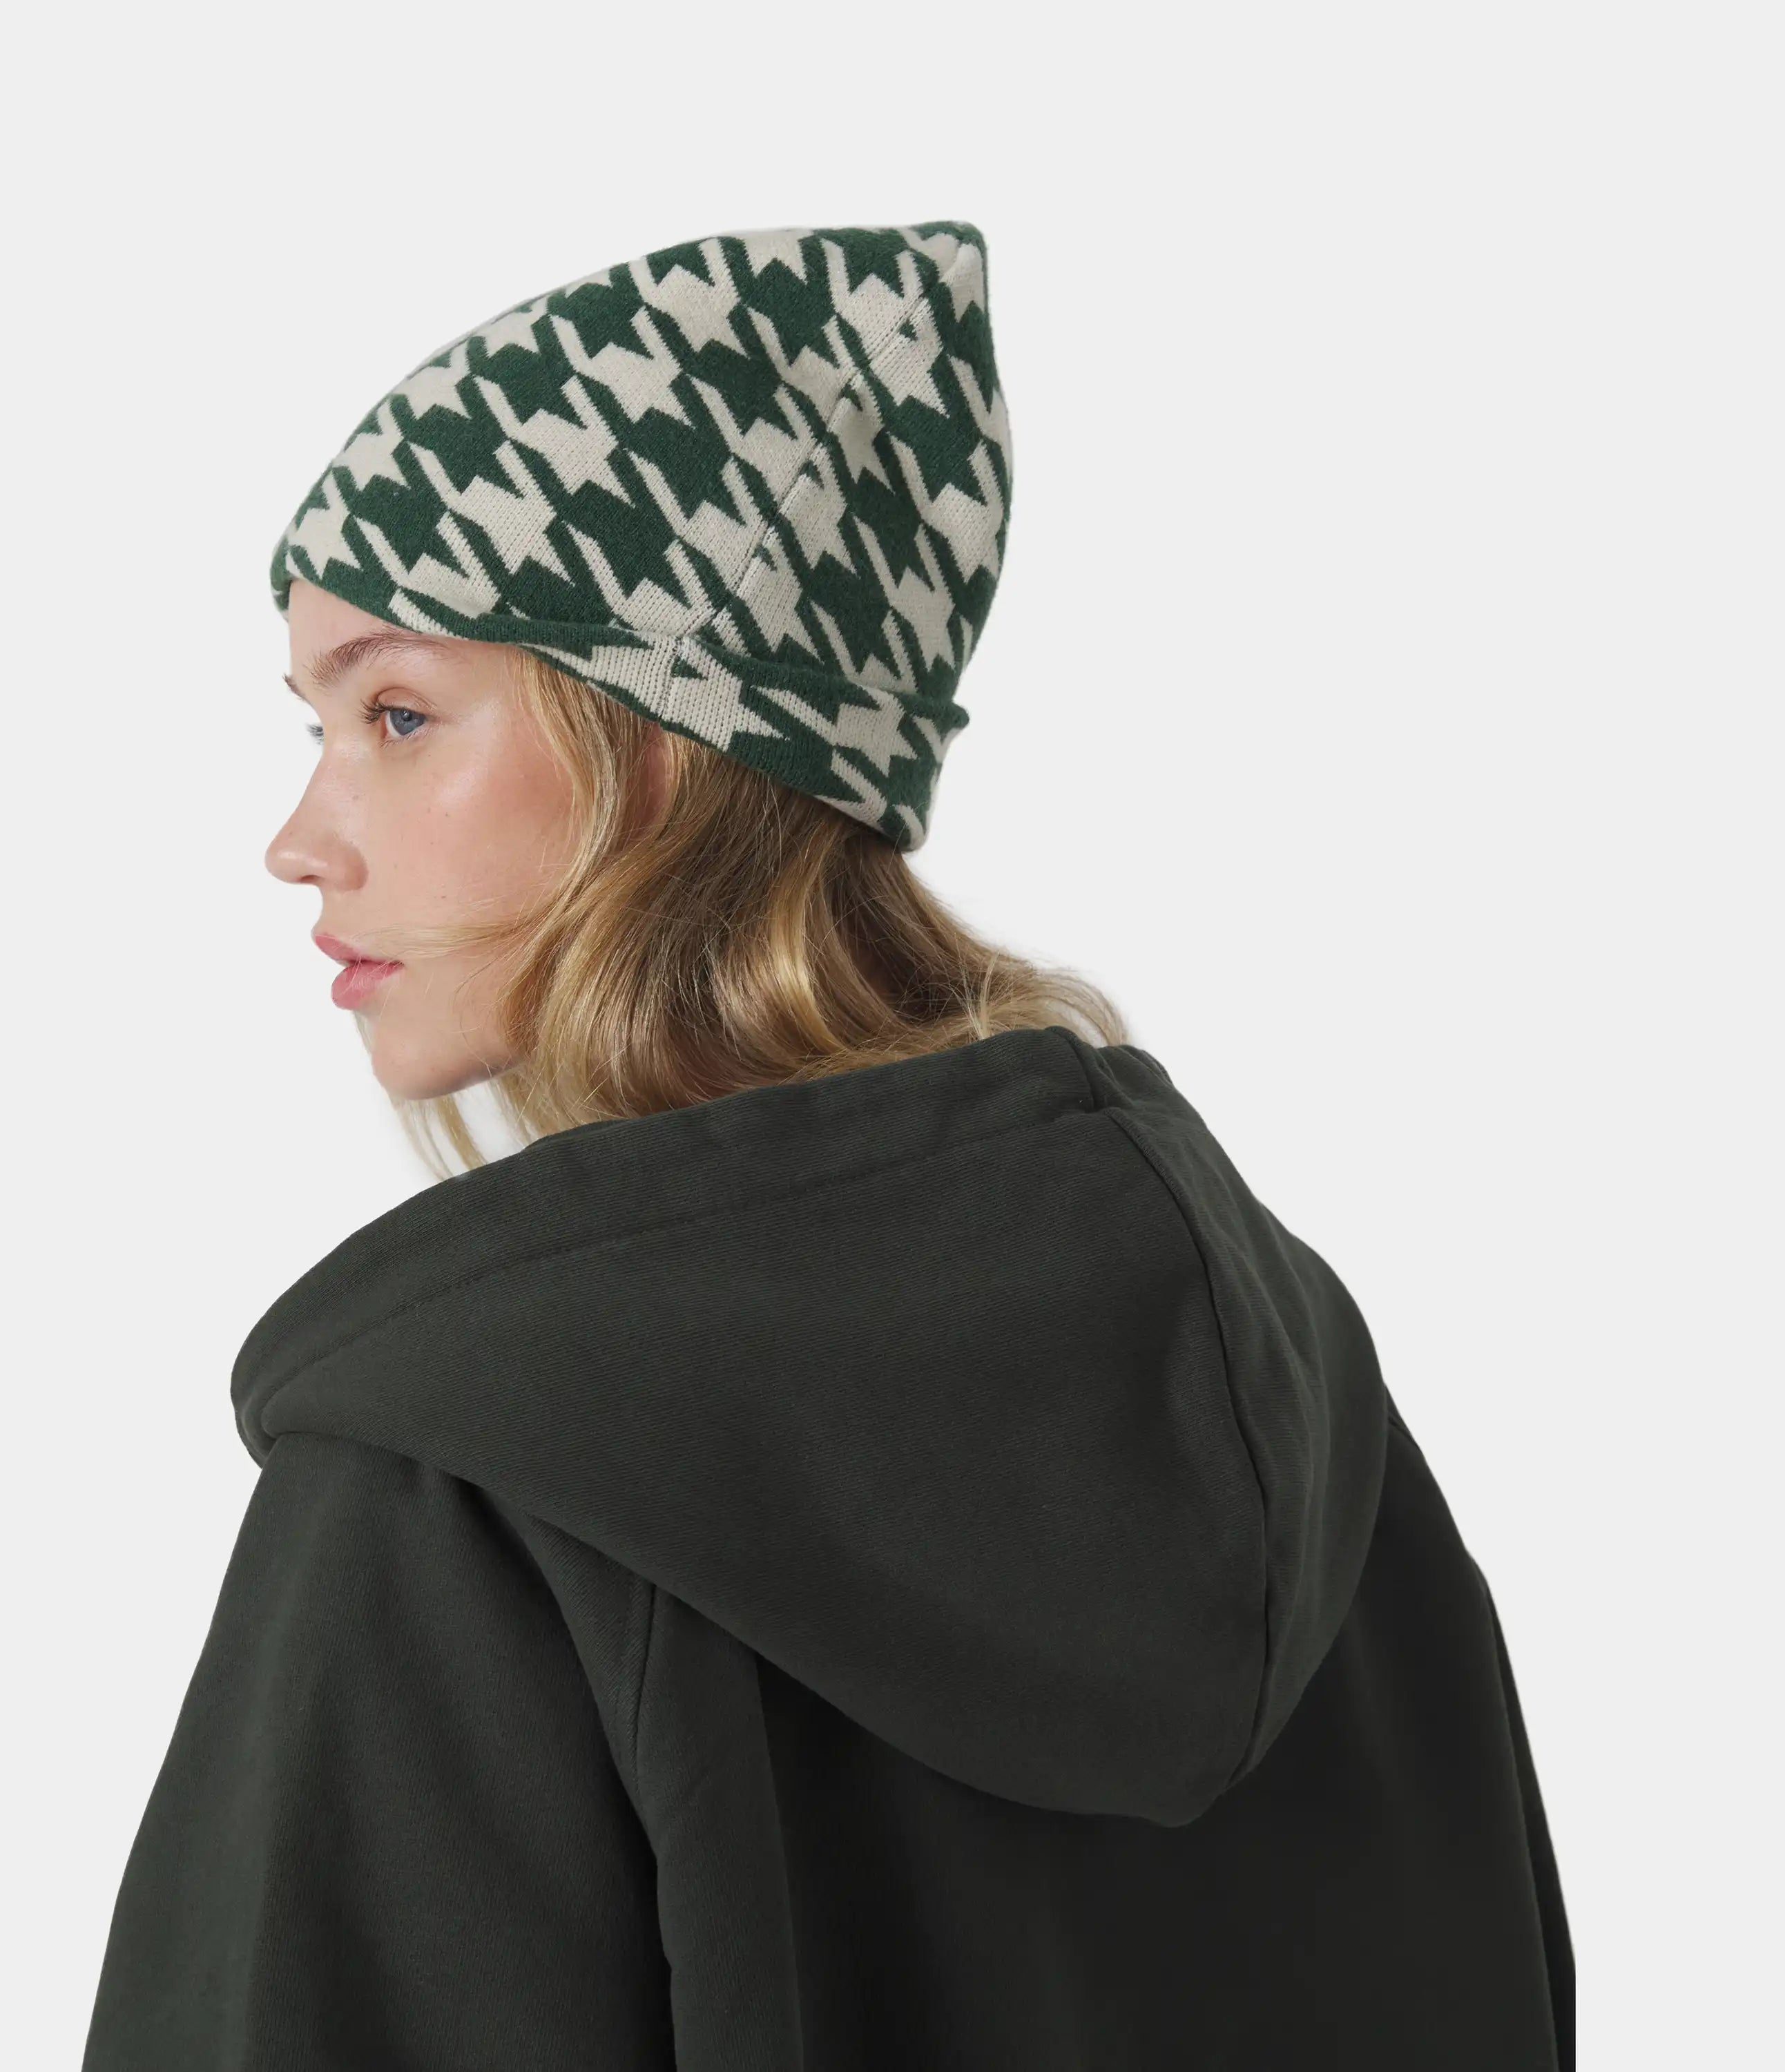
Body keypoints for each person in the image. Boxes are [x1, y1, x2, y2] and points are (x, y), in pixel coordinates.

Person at [80, 220, 1574, 2070]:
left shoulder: (473, 1481)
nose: (300, 838)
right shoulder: (1291, 1401)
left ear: (665, 740)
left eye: (397, 713)